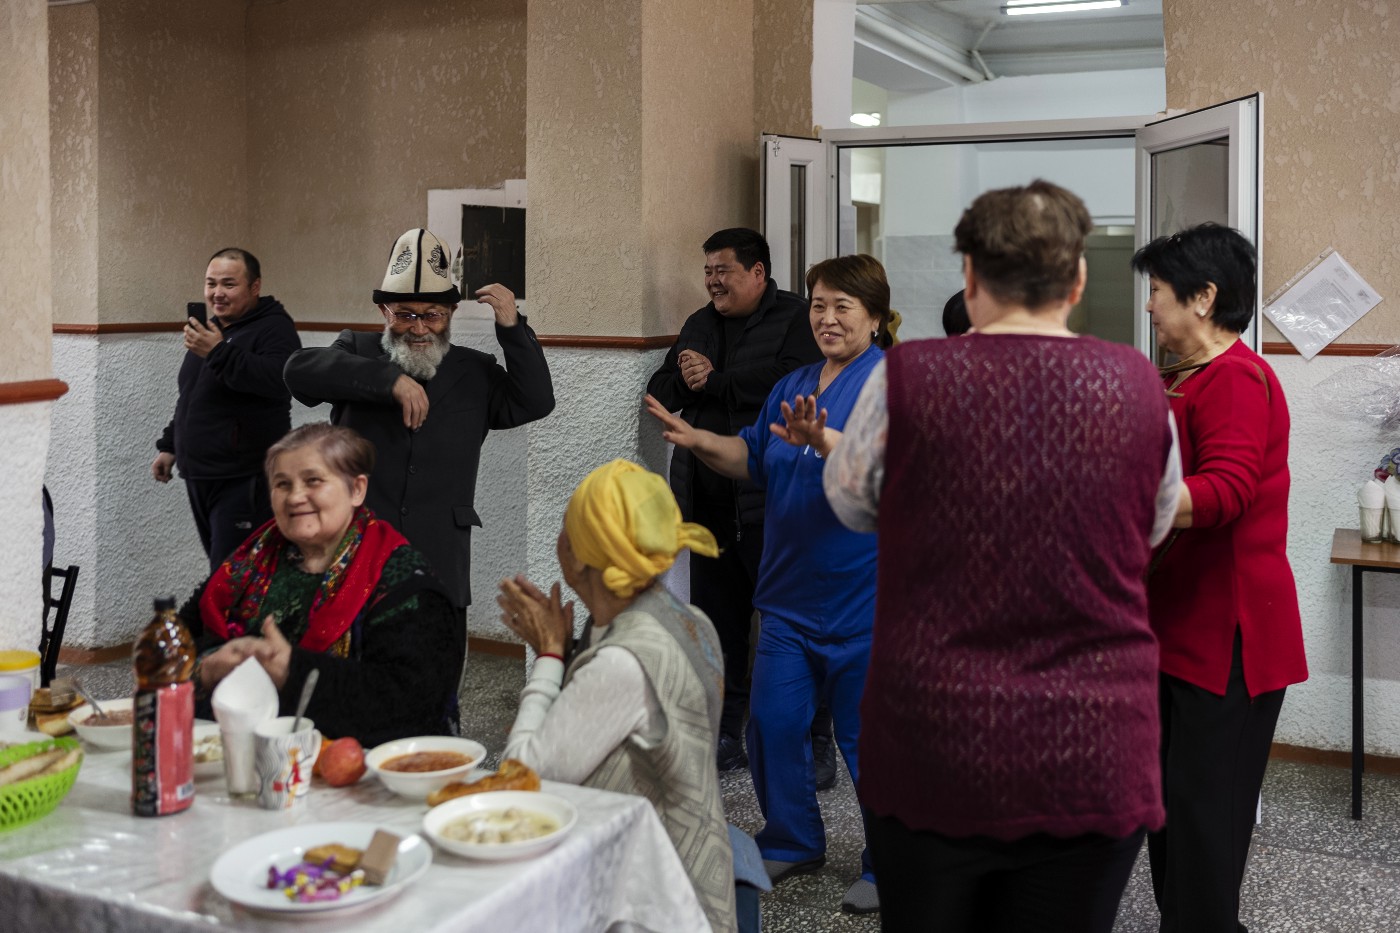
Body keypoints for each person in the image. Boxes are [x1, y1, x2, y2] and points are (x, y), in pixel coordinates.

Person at [820, 180, 1182, 933]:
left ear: (970, 277)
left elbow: (852, 503)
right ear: (1077, 280)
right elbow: (1151, 526)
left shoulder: (907, 377)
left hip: (934, 739)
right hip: (1094, 744)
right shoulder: (1139, 385)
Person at [645, 253, 892, 915]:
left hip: (865, 601)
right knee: (774, 724)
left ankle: (889, 863)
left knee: (871, 744)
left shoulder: (892, 385)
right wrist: (698, 439)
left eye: (843, 306)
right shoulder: (796, 382)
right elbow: (752, 456)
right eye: (818, 305)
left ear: (874, 315)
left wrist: (825, 439)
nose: (827, 318)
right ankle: (791, 838)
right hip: (786, 598)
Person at [1132, 223, 1309, 933]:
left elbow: (1226, 491)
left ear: (1203, 297)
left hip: (1229, 633)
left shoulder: (1237, 377)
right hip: (1172, 624)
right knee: (1167, 805)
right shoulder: (1175, 377)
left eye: (1157, 291)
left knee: (1206, 814)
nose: (1149, 306)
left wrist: (1121, 498)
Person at [497, 459, 737, 933]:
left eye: (566, 526)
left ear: (579, 558)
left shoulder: (622, 662)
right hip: (694, 872)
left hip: (650, 903)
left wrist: (549, 656)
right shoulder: (691, 620)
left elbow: (522, 778)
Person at [283, 228, 554, 612]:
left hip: (439, 559)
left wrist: (512, 328)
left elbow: (536, 401)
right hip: (358, 553)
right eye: (405, 314)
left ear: (451, 314)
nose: (419, 327)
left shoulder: (474, 371)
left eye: (432, 315)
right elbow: (298, 371)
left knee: (437, 649)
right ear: (384, 312)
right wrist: (388, 380)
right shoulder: (357, 350)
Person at [645, 227, 831, 778]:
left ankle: (815, 740)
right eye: (707, 271)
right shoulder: (699, 323)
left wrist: (717, 382)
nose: (712, 281)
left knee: (793, 627)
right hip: (706, 505)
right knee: (719, 627)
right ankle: (727, 733)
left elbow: (794, 382)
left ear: (757, 272)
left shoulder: (795, 318)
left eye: (722, 270)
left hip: (773, 502)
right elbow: (662, 387)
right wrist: (686, 379)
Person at [184, 423, 462, 746]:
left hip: (362, 764)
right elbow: (170, 647)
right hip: (237, 751)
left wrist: (295, 672)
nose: (295, 497)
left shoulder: (402, 580)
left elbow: (413, 704)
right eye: (282, 484)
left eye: (313, 480)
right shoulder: (247, 564)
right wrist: (205, 670)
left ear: (357, 489)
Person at [154, 248, 301, 571]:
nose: (217, 293)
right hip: (201, 474)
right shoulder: (211, 331)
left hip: (244, 477)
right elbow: (192, 395)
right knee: (220, 572)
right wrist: (169, 446)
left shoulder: (275, 328)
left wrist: (217, 352)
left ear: (255, 287)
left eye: (228, 284)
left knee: (235, 577)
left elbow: (279, 380)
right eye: (211, 283)